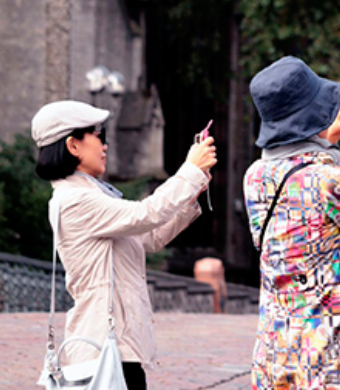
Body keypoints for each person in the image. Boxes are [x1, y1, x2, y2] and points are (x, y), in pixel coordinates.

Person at [32, 100, 217, 390]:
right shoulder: (75, 200)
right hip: (102, 347)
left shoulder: (95, 195)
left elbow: (149, 237)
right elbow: (146, 213)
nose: (105, 146)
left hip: (119, 346)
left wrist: (192, 190)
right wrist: (189, 171)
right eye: (98, 136)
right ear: (73, 145)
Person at [244, 56, 340, 389]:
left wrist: (325, 133)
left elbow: (296, 166)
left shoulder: (254, 177)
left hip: (278, 349)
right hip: (332, 354)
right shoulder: (328, 180)